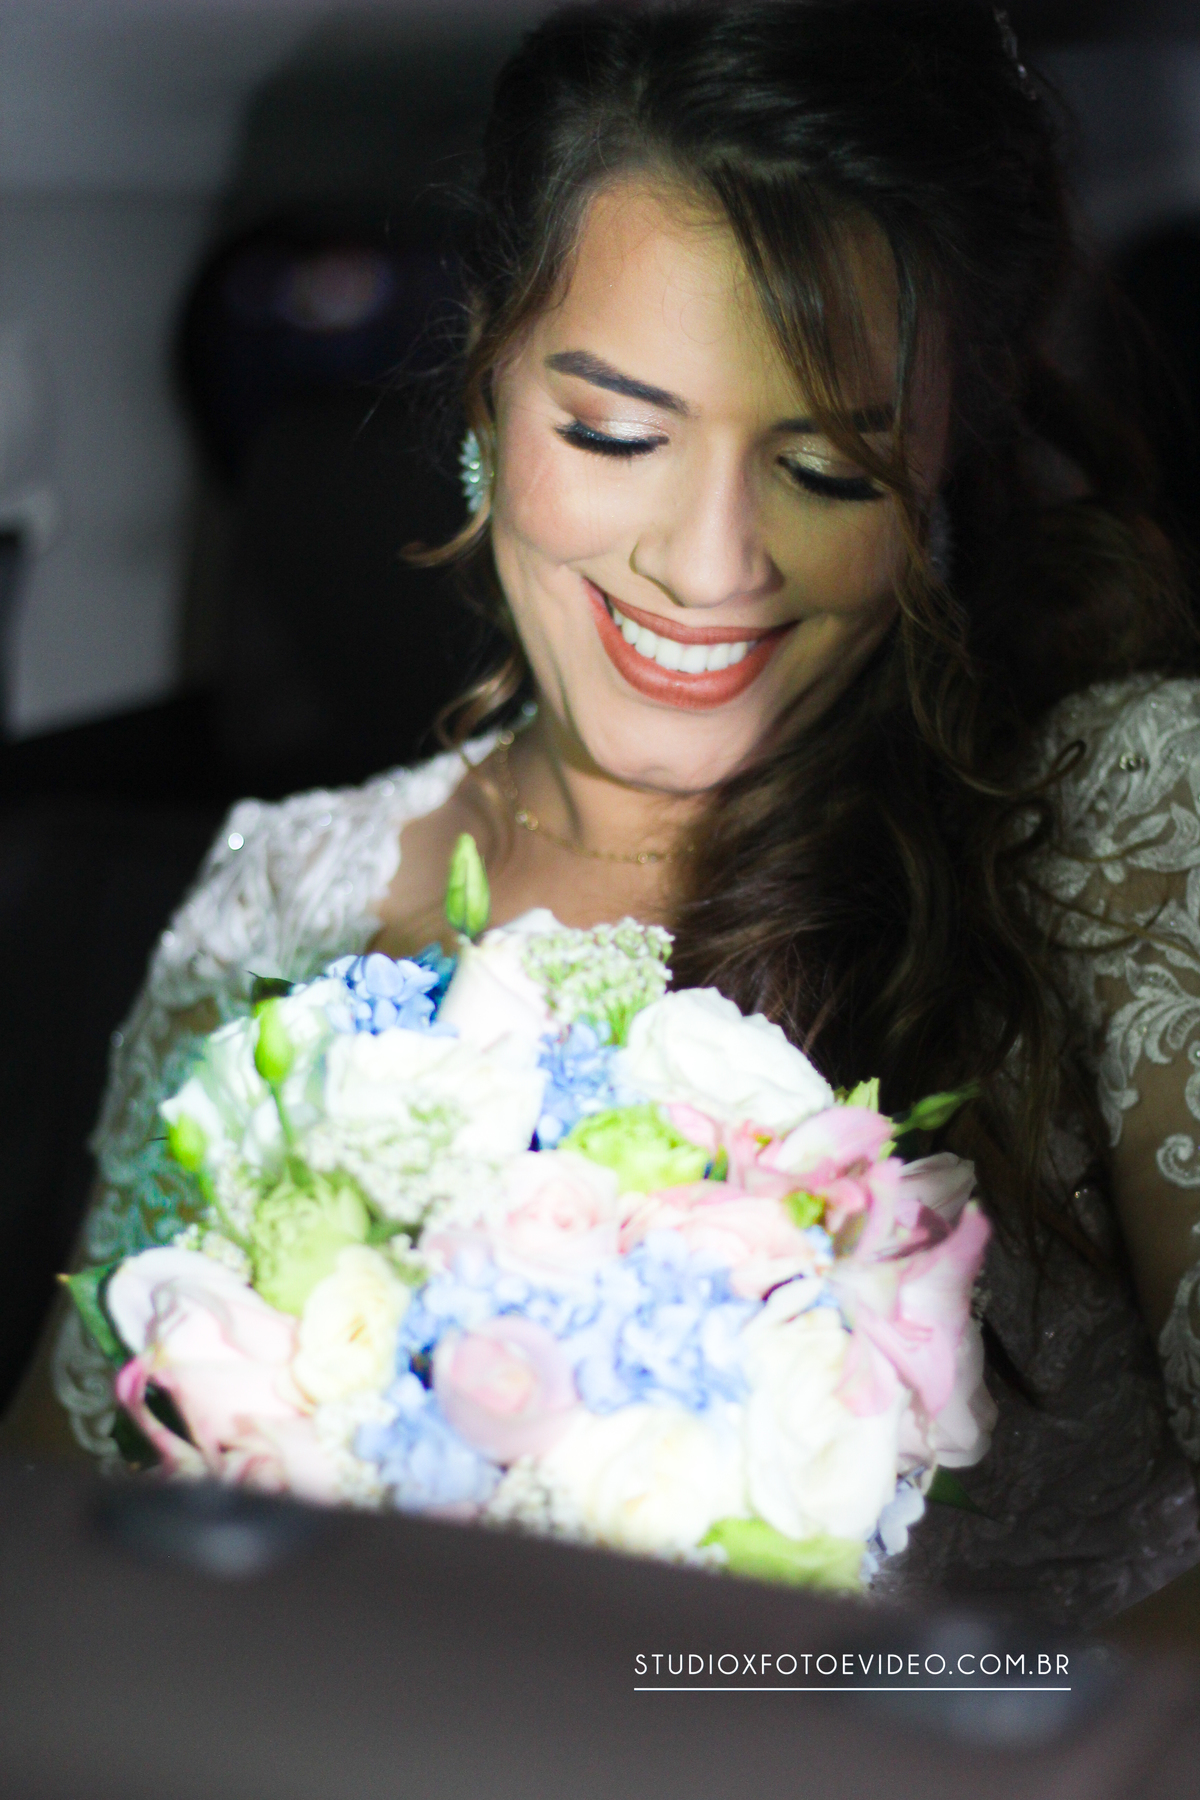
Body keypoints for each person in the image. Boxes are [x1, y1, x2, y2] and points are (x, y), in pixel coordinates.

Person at [6, 0, 1200, 1635]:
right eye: (618, 433)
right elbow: (59, 1530)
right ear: (488, 393)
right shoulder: (280, 895)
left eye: (830, 471)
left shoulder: (1124, 827)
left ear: (936, 473)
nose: (710, 567)